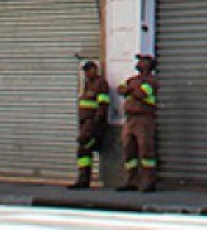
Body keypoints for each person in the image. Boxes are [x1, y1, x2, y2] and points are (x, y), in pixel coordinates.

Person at [116, 52, 158, 191]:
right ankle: (131, 181)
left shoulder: (151, 81)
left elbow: (142, 94)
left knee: (146, 150)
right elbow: (120, 89)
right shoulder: (132, 80)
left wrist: (130, 89)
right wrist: (130, 89)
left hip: (144, 119)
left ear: (148, 64)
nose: (138, 63)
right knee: (129, 149)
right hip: (130, 119)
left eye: (142, 61)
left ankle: (148, 182)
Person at [67, 59, 108, 189]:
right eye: (85, 71)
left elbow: (103, 104)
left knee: (84, 148)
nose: (86, 73)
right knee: (83, 150)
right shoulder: (87, 84)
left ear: (94, 69)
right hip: (85, 123)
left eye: (88, 70)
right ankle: (83, 178)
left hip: (92, 124)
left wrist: (96, 123)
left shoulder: (100, 84)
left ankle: (83, 180)